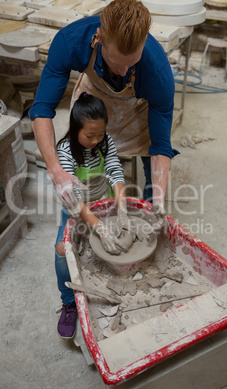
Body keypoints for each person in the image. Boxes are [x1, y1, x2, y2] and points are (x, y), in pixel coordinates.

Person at [29, 0, 179, 237]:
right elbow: (42, 109)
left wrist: (159, 199)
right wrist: (56, 171)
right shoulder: (71, 41)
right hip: (95, 99)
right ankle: (69, 229)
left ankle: (152, 216)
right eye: (116, 62)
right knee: (74, 175)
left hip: (136, 106)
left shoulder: (157, 74)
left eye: (131, 63)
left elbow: (161, 147)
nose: (123, 71)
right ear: (99, 38)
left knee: (153, 177)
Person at [55, 92, 137, 339]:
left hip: (104, 205)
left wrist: (121, 208)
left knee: (120, 243)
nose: (95, 140)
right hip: (76, 210)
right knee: (62, 250)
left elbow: (115, 173)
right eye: (89, 135)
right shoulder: (65, 149)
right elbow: (73, 201)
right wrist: (98, 227)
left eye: (100, 134)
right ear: (75, 129)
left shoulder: (105, 142)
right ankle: (69, 302)